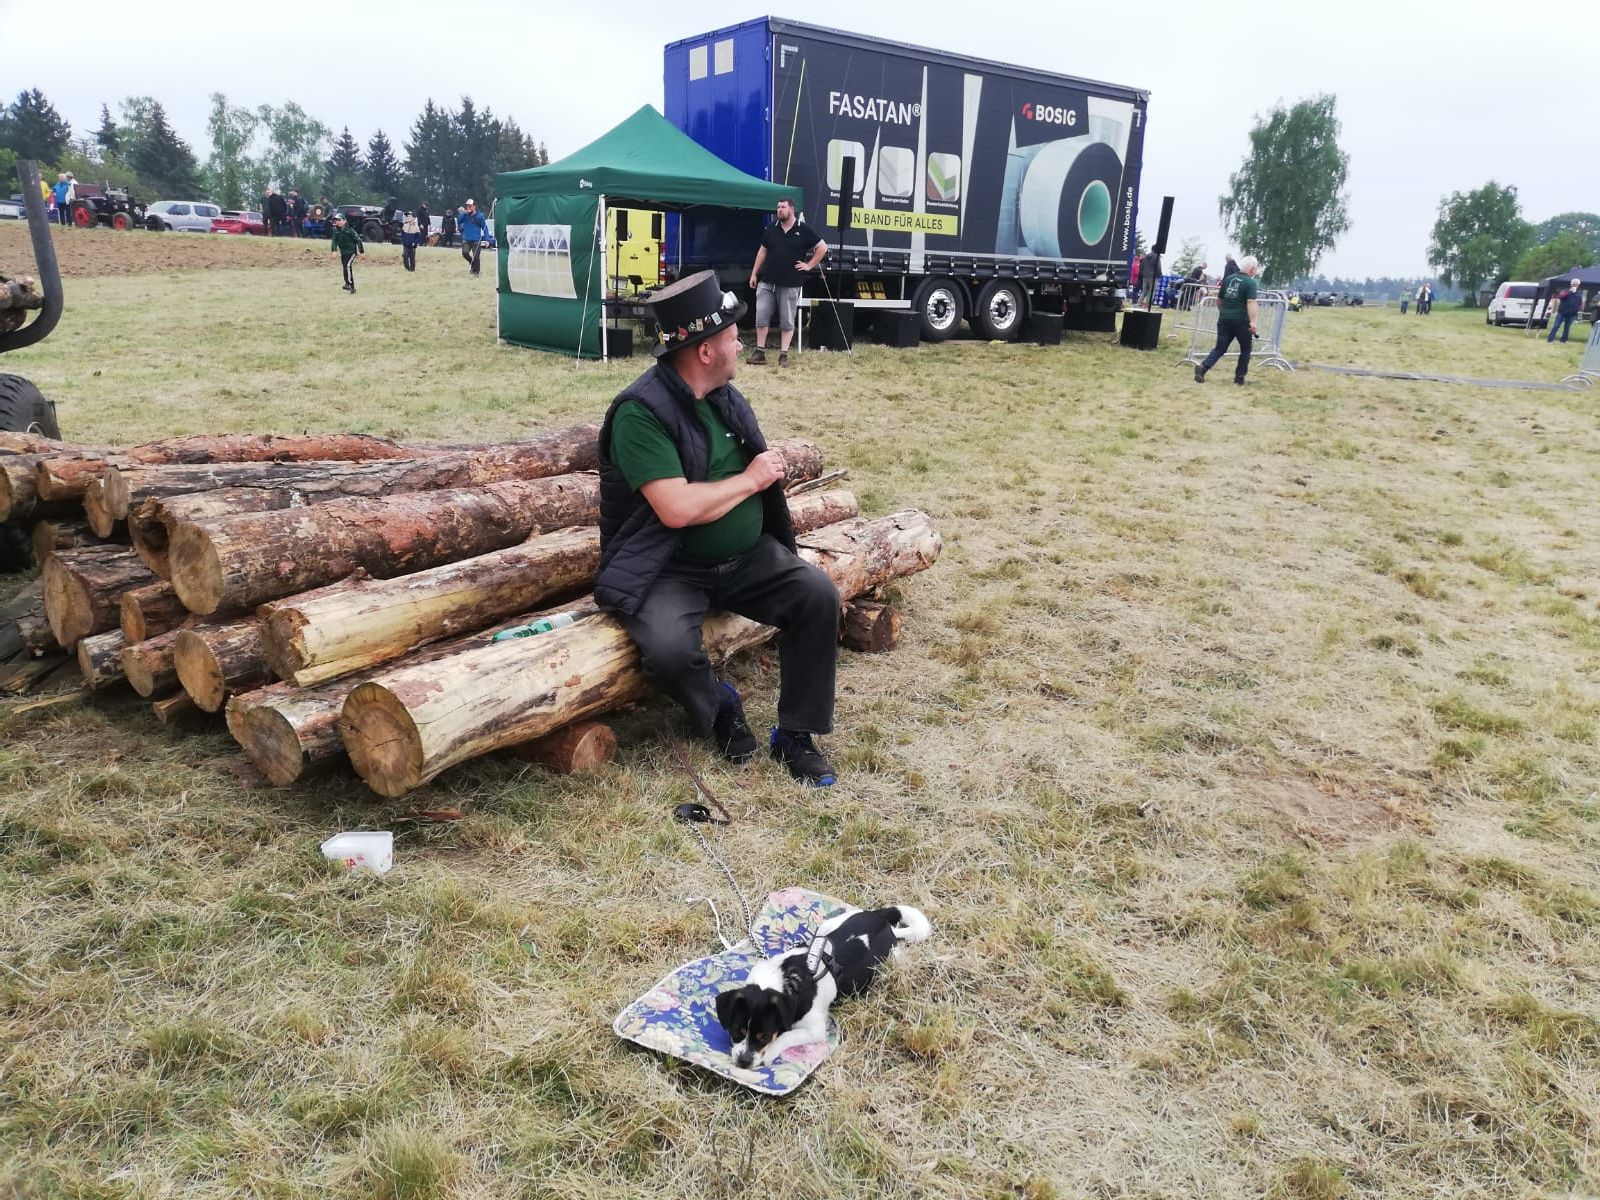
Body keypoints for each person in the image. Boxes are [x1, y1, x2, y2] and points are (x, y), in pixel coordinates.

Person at [597, 269, 841, 786]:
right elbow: (676, 509)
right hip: (668, 564)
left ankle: (795, 734)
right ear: (705, 350)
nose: (740, 344)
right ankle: (718, 704)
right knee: (668, 650)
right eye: (732, 337)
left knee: (817, 595)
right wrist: (752, 480)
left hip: (746, 557)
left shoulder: (725, 396)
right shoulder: (639, 414)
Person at [747, 197, 825, 367]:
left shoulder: (803, 229)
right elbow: (762, 252)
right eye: (778, 207)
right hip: (767, 282)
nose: (779, 210)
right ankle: (759, 352)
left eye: (783, 207)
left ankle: (783, 355)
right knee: (761, 316)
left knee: (787, 320)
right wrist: (754, 274)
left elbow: (822, 247)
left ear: (792, 209)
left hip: (790, 283)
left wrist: (809, 265)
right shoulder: (771, 228)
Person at [1193, 255, 1260, 386]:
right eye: (1256, 269)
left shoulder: (1228, 279)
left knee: (1220, 348)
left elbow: (1219, 300)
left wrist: (1225, 313)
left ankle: (1203, 367)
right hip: (1241, 321)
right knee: (1246, 349)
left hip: (1224, 319)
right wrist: (1253, 322)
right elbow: (1251, 302)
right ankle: (1239, 378)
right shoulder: (1250, 283)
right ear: (1252, 269)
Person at [329, 213, 364, 293]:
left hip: (351, 252)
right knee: (345, 268)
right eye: (336, 220)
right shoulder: (336, 231)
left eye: (339, 220)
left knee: (347, 266)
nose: (338, 222)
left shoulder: (350, 230)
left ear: (345, 221)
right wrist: (334, 251)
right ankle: (352, 287)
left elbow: (358, 240)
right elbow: (334, 241)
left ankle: (348, 283)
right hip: (343, 252)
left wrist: (361, 252)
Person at [1547, 278, 1583, 343]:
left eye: (1576, 284)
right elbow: (1561, 296)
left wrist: (1579, 309)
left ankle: (1563, 340)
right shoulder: (1565, 290)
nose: (1574, 285)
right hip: (1562, 312)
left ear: (1578, 285)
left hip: (1572, 313)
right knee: (1556, 326)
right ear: (1571, 284)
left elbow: (1580, 302)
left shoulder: (1579, 293)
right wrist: (1569, 291)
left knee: (1567, 328)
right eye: (1573, 284)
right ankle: (1550, 339)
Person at [458, 198, 488, 275]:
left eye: (470, 206)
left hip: (476, 239)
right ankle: (472, 262)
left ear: (474, 206)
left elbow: (485, 228)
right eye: (467, 206)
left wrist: (487, 239)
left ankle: (476, 271)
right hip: (466, 238)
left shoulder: (480, 216)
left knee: (476, 256)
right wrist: (464, 213)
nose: (468, 208)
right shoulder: (465, 215)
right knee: (465, 253)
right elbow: (459, 220)